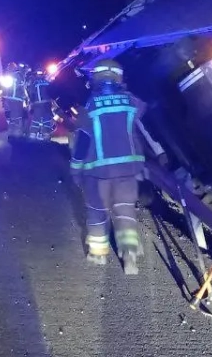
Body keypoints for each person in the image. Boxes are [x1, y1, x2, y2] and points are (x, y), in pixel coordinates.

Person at [68, 58, 164, 275]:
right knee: (124, 210)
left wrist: (75, 169)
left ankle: (98, 254)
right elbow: (140, 125)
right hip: (128, 172)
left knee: (97, 212)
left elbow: (82, 141)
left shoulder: (89, 106)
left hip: (97, 173)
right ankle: (129, 253)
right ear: (119, 77)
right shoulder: (131, 103)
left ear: (96, 78)